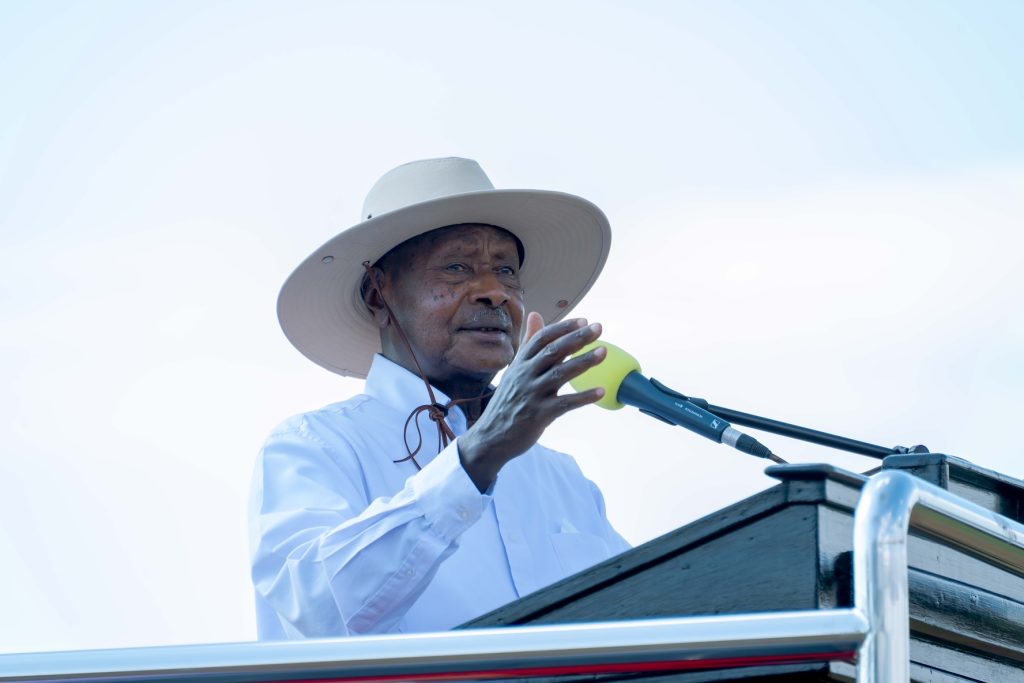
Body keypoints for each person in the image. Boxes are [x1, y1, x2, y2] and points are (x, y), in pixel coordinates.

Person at [249, 157, 630, 639]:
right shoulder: (315, 446)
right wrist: (475, 458)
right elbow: (320, 610)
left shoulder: (563, 478)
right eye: (457, 267)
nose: (494, 292)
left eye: (507, 271)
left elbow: (642, 616)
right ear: (377, 293)